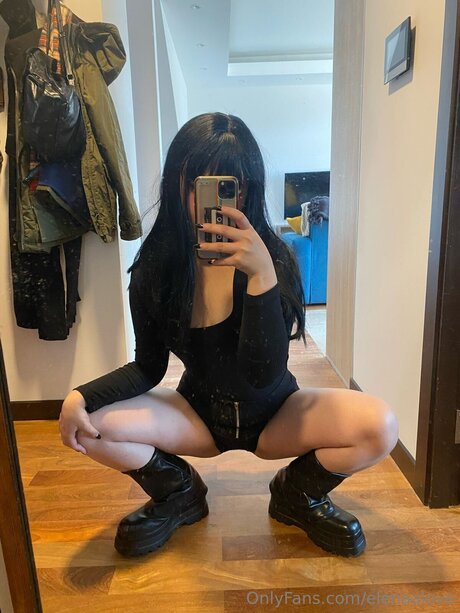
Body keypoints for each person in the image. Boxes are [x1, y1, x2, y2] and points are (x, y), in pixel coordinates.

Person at [59, 112, 399, 559]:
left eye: (231, 187)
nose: (216, 201)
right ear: (177, 183)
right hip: (197, 416)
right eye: (198, 183)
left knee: (380, 425)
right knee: (92, 426)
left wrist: (261, 278)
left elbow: (263, 375)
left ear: (247, 190)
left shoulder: (273, 260)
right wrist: (81, 396)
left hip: (276, 415)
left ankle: (298, 495)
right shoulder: (156, 269)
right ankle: (179, 494)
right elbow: (148, 367)